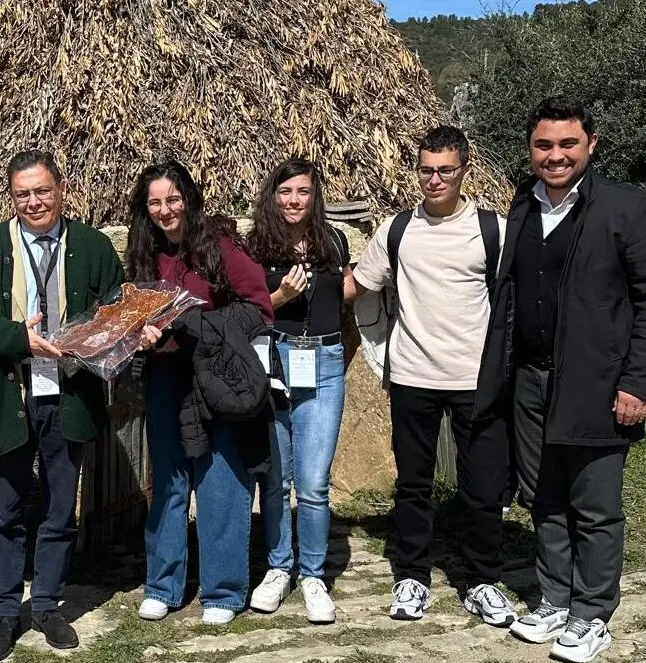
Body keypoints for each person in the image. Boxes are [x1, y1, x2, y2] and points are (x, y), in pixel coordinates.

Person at [475, 97, 646, 663]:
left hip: (598, 383)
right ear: (530, 150)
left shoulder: (627, 208)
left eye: (568, 144)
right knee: (544, 498)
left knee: (594, 505)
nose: (556, 155)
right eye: (544, 145)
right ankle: (556, 598)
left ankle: (592, 613)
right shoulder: (522, 208)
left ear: (592, 146)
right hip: (530, 382)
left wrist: (638, 383)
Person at [0, 150, 125, 663]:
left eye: (42, 190)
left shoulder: (91, 246)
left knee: (58, 509)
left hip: (69, 399)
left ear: (61, 189)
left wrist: (134, 332)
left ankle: (46, 604)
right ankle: (5, 612)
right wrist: (19, 339)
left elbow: (115, 312)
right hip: (9, 398)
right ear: (12, 197)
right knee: (4, 510)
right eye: (23, 193)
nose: (34, 202)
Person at [344, 126, 515, 626]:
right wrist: (286, 286)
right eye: (426, 170)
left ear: (464, 170)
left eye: (445, 170)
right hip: (414, 377)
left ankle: (483, 580)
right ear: (416, 171)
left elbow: (518, 294)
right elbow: (359, 284)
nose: (435, 179)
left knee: (484, 488)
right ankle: (412, 577)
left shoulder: (493, 229)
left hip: (475, 380)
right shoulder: (397, 230)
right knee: (413, 484)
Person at [126, 159, 274, 627]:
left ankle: (224, 591)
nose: (166, 210)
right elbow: (137, 314)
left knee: (221, 480)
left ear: (188, 198)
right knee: (168, 480)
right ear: (145, 209)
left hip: (215, 377)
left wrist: (202, 324)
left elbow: (261, 308)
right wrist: (141, 331)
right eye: (155, 202)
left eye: (172, 199)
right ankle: (162, 585)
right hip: (167, 376)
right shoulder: (145, 252)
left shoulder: (222, 247)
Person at [246, 159, 350, 621]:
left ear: (315, 196)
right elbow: (246, 312)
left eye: (303, 192)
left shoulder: (334, 242)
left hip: (323, 364)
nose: (293, 200)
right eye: (285, 192)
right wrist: (283, 296)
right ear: (273, 196)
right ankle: (277, 567)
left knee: (312, 482)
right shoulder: (255, 248)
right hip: (274, 362)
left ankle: (312, 575)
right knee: (275, 479)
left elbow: (346, 296)